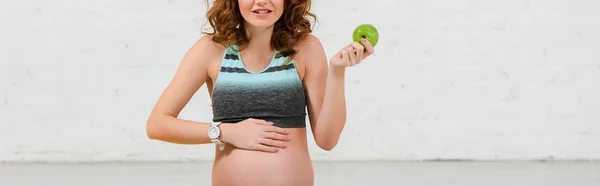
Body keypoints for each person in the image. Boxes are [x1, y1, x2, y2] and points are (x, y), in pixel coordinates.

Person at [145, 0, 375, 185]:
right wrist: (226, 132)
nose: (261, 2)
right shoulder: (210, 49)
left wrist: (338, 71)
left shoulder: (306, 48)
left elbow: (327, 140)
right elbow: (157, 125)